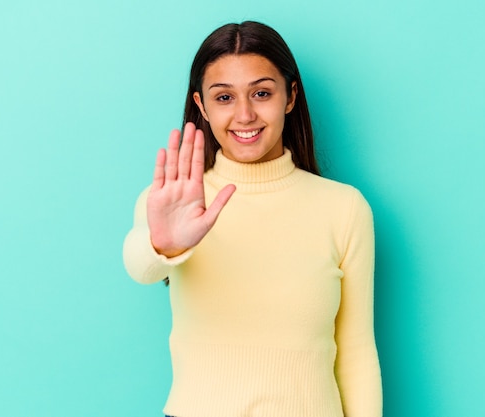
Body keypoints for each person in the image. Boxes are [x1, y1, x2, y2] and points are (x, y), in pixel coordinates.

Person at [123, 21, 382, 417]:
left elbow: (356, 351)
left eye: (261, 93)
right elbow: (140, 266)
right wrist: (165, 245)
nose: (245, 114)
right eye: (224, 97)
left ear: (290, 97)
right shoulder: (175, 201)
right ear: (202, 106)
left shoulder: (343, 208)